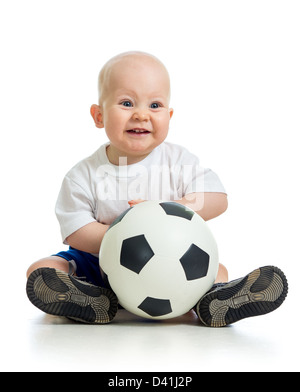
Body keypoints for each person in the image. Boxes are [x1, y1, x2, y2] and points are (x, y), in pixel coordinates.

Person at [26, 51, 288, 327]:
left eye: (155, 105)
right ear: (98, 115)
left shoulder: (178, 162)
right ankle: (88, 300)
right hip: (96, 266)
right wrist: (126, 236)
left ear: (169, 115)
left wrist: (171, 213)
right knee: (42, 268)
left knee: (217, 270)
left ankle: (214, 301)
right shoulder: (83, 174)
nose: (141, 114)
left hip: (173, 268)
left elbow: (217, 199)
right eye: (127, 103)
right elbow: (76, 230)